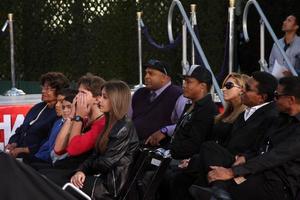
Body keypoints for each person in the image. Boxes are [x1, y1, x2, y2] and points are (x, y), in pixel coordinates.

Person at [169, 71, 279, 200]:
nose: (243, 90)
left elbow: (263, 149)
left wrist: (242, 159)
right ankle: (217, 189)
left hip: (245, 167)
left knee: (206, 151)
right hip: (224, 160)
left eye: (247, 88)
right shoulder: (245, 113)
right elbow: (225, 145)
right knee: (180, 177)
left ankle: (219, 189)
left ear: (262, 97)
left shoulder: (271, 116)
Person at [200, 76, 300, 200]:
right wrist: (245, 157)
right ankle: (219, 190)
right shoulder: (279, 119)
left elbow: (274, 156)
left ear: (291, 100)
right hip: (257, 170)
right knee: (209, 149)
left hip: (278, 183)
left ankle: (219, 190)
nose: (274, 99)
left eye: (277, 96)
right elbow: (259, 147)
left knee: (228, 185)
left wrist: (232, 172)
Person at [70, 80, 139, 200]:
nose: (99, 100)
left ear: (116, 100)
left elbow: (106, 162)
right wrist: (81, 170)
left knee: (65, 185)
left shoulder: (124, 126)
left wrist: (84, 171)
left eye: (105, 97)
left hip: (112, 186)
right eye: (101, 96)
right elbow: (95, 155)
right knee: (64, 181)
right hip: (104, 178)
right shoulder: (110, 123)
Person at [5, 72, 69, 161]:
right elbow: (22, 129)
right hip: (21, 155)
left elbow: (49, 142)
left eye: (48, 89)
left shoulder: (61, 113)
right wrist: (14, 143)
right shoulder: (37, 107)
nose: (43, 91)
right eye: (43, 87)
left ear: (60, 91)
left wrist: (23, 150)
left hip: (38, 158)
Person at [130, 59, 186, 142]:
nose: (146, 77)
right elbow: (128, 119)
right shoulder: (139, 93)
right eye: (146, 73)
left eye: (151, 74)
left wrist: (165, 131)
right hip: (133, 146)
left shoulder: (178, 95)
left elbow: (185, 124)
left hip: (160, 149)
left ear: (164, 78)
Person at [170, 65, 218, 160]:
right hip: (175, 156)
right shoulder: (192, 105)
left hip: (186, 163)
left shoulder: (207, 109)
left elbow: (195, 144)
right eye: (185, 81)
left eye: (189, 82)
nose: (184, 85)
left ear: (202, 86)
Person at [30, 88, 77, 165]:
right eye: (57, 101)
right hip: (44, 158)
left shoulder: (75, 125)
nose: (57, 105)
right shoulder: (57, 122)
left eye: (61, 102)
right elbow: (47, 146)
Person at [210, 73, 249, 145]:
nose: (223, 89)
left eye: (228, 86)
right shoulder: (226, 114)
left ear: (241, 90)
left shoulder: (246, 116)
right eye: (224, 86)